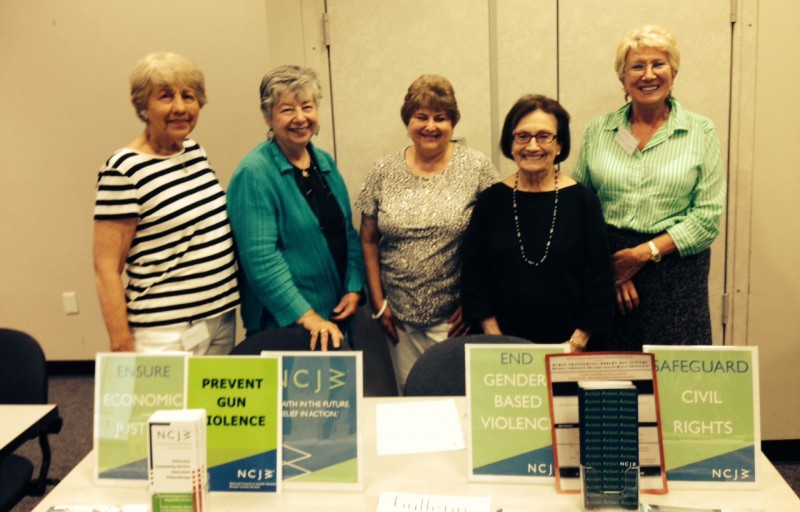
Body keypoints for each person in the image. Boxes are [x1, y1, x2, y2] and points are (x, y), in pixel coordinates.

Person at [572, 25, 726, 350]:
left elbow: (708, 217)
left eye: (658, 64)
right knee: (610, 383)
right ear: (622, 79)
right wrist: (609, 270)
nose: (649, 75)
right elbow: (580, 208)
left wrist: (642, 255)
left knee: (674, 383)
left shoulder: (700, 131)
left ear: (674, 72)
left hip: (676, 272)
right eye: (637, 66)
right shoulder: (599, 130)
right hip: (611, 267)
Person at [356, 74, 498, 392]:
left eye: (441, 118)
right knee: (410, 398)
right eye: (421, 116)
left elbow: (495, 241)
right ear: (408, 121)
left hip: (456, 320)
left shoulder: (477, 168)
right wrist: (378, 303)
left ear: (453, 123)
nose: (430, 126)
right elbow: (367, 238)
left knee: (456, 398)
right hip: (397, 318)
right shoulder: (382, 171)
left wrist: (476, 302)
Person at [93, 52, 240, 354]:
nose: (180, 108)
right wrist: (121, 344)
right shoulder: (123, 169)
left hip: (221, 316)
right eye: (165, 97)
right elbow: (106, 268)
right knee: (167, 405)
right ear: (143, 106)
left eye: (188, 96)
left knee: (211, 404)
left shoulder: (194, 152)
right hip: (166, 331)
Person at [227, 65, 365, 351]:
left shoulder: (323, 162)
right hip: (286, 325)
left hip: (333, 316)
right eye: (287, 109)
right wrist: (307, 316)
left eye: (307, 106)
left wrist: (353, 286)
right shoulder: (254, 173)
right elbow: (261, 260)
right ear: (268, 116)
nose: (300, 118)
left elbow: (347, 232)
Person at [461, 94, 614, 352]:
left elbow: (600, 280)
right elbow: (474, 278)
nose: (532, 146)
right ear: (510, 144)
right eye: (522, 136)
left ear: (559, 145)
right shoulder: (490, 202)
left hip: (573, 349)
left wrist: (576, 343)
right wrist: (496, 340)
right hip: (499, 347)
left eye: (544, 136)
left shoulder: (583, 201)